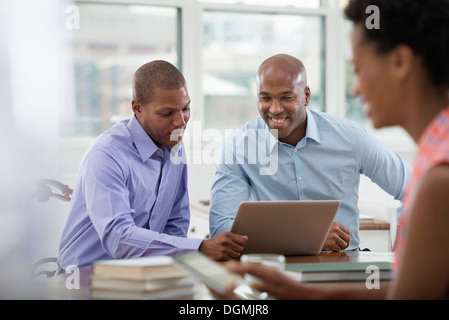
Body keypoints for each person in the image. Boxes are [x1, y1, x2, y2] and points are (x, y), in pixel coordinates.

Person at [213, 0, 449, 300]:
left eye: (359, 70)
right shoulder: (436, 153)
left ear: (400, 63)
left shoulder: (439, 177)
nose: (356, 89)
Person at [209, 52, 411, 252]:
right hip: (273, 267)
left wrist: (401, 254)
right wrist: (306, 236)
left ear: (306, 96)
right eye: (265, 98)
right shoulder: (238, 147)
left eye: (286, 97)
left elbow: (414, 189)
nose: (275, 109)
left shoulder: (351, 138)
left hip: (342, 267)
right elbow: (221, 230)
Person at [57, 60, 247, 270]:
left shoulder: (174, 145)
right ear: (137, 108)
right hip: (85, 278)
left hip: (145, 275)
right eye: (167, 113)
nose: (180, 122)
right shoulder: (106, 155)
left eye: (185, 108)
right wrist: (199, 248)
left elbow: (176, 220)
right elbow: (118, 238)